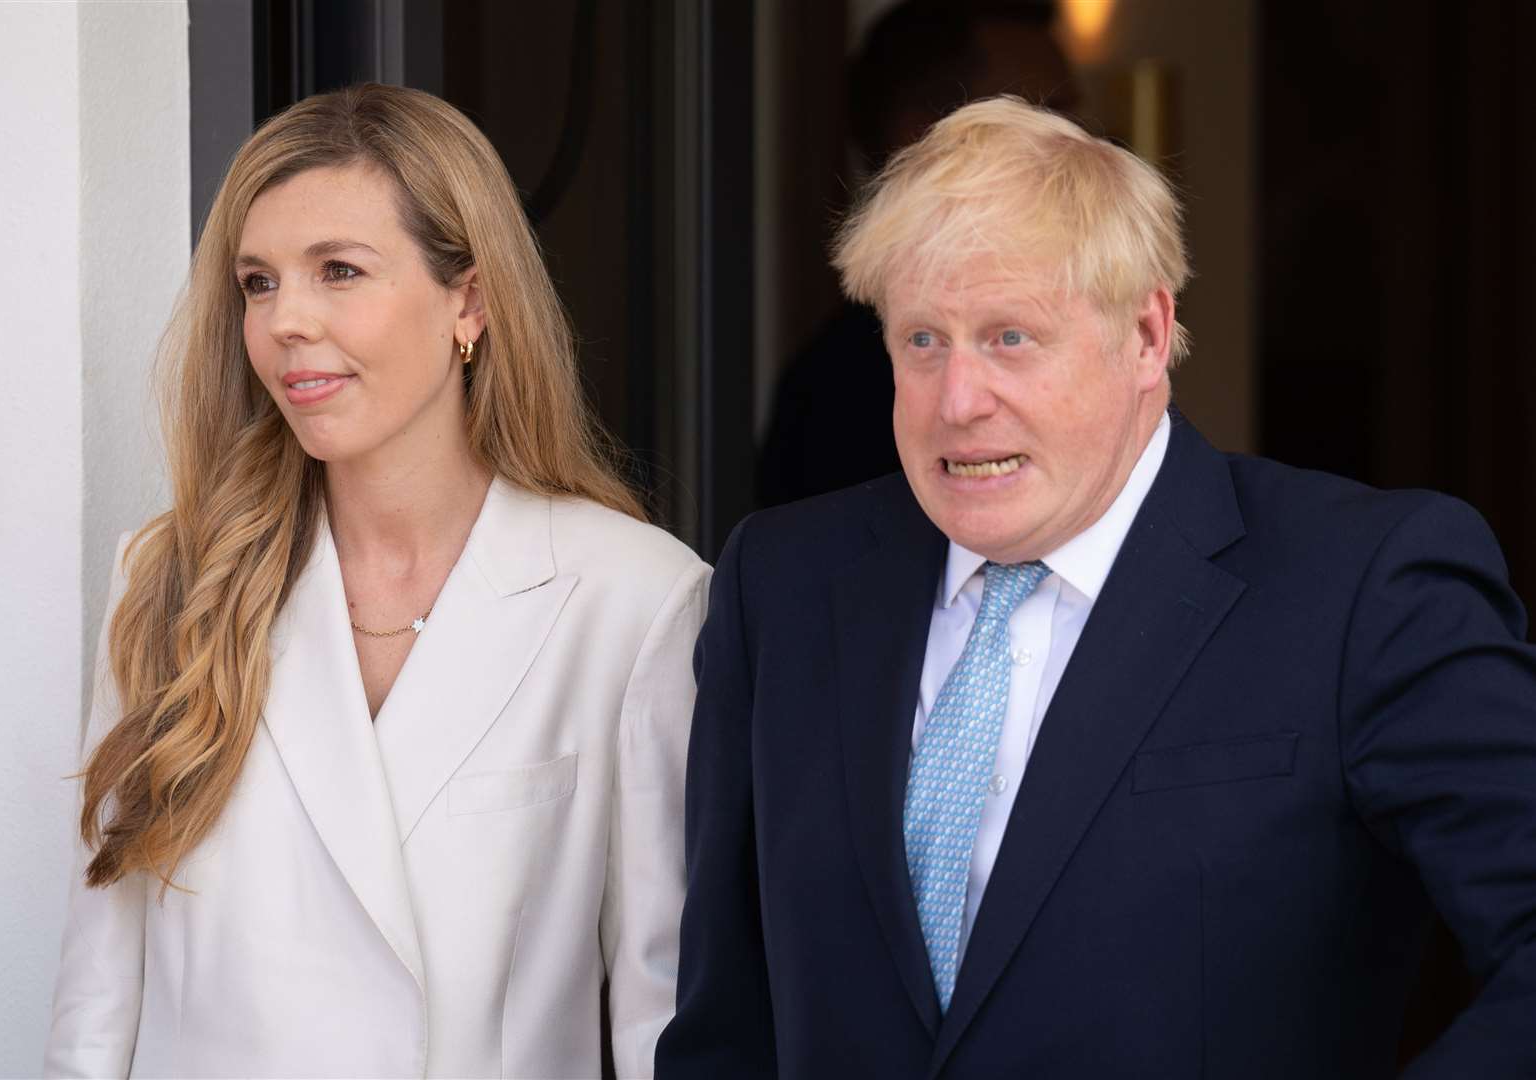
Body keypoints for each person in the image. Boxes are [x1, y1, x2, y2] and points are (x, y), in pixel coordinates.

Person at [656, 97, 1536, 1078]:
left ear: (1149, 336)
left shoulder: (1366, 588)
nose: (959, 400)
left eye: (1010, 339)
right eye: (922, 341)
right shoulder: (782, 583)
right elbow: (725, 1027)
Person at [45, 84, 707, 1079]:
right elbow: (99, 1001)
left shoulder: (631, 599)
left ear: (469, 302)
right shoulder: (172, 576)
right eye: (258, 283)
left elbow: (665, 1023)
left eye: (339, 271)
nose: (286, 322)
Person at [755, 0, 1079, 507]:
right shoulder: (840, 392)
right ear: (923, 138)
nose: (1077, 145)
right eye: (1042, 116)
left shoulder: (1094, 325)